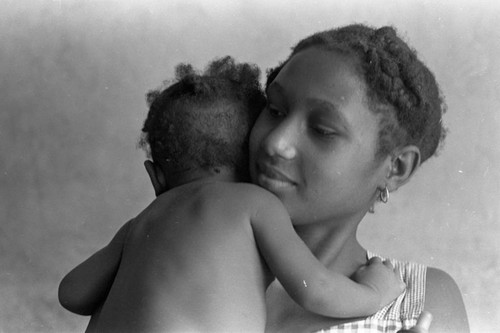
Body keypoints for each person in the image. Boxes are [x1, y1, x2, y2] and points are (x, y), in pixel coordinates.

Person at [58, 56, 405, 332]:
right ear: (252, 157)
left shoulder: (138, 224)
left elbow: (71, 293)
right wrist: (376, 292)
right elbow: (315, 289)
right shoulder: (255, 204)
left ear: (155, 176)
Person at [250, 24, 470, 332]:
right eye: (274, 110)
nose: (276, 142)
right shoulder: (191, 256)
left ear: (396, 168)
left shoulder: (418, 302)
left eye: (322, 130)